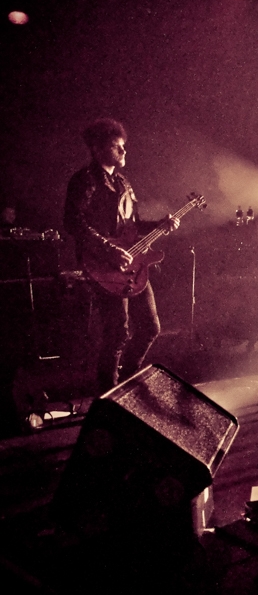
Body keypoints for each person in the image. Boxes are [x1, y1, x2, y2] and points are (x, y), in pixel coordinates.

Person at [63, 118, 179, 391]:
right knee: (117, 334)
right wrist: (108, 249)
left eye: (123, 146)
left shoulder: (124, 183)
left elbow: (132, 225)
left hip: (131, 263)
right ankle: (109, 396)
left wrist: (159, 225)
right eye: (117, 147)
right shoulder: (85, 180)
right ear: (96, 148)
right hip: (102, 265)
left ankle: (127, 384)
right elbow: (73, 221)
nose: (124, 152)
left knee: (150, 328)